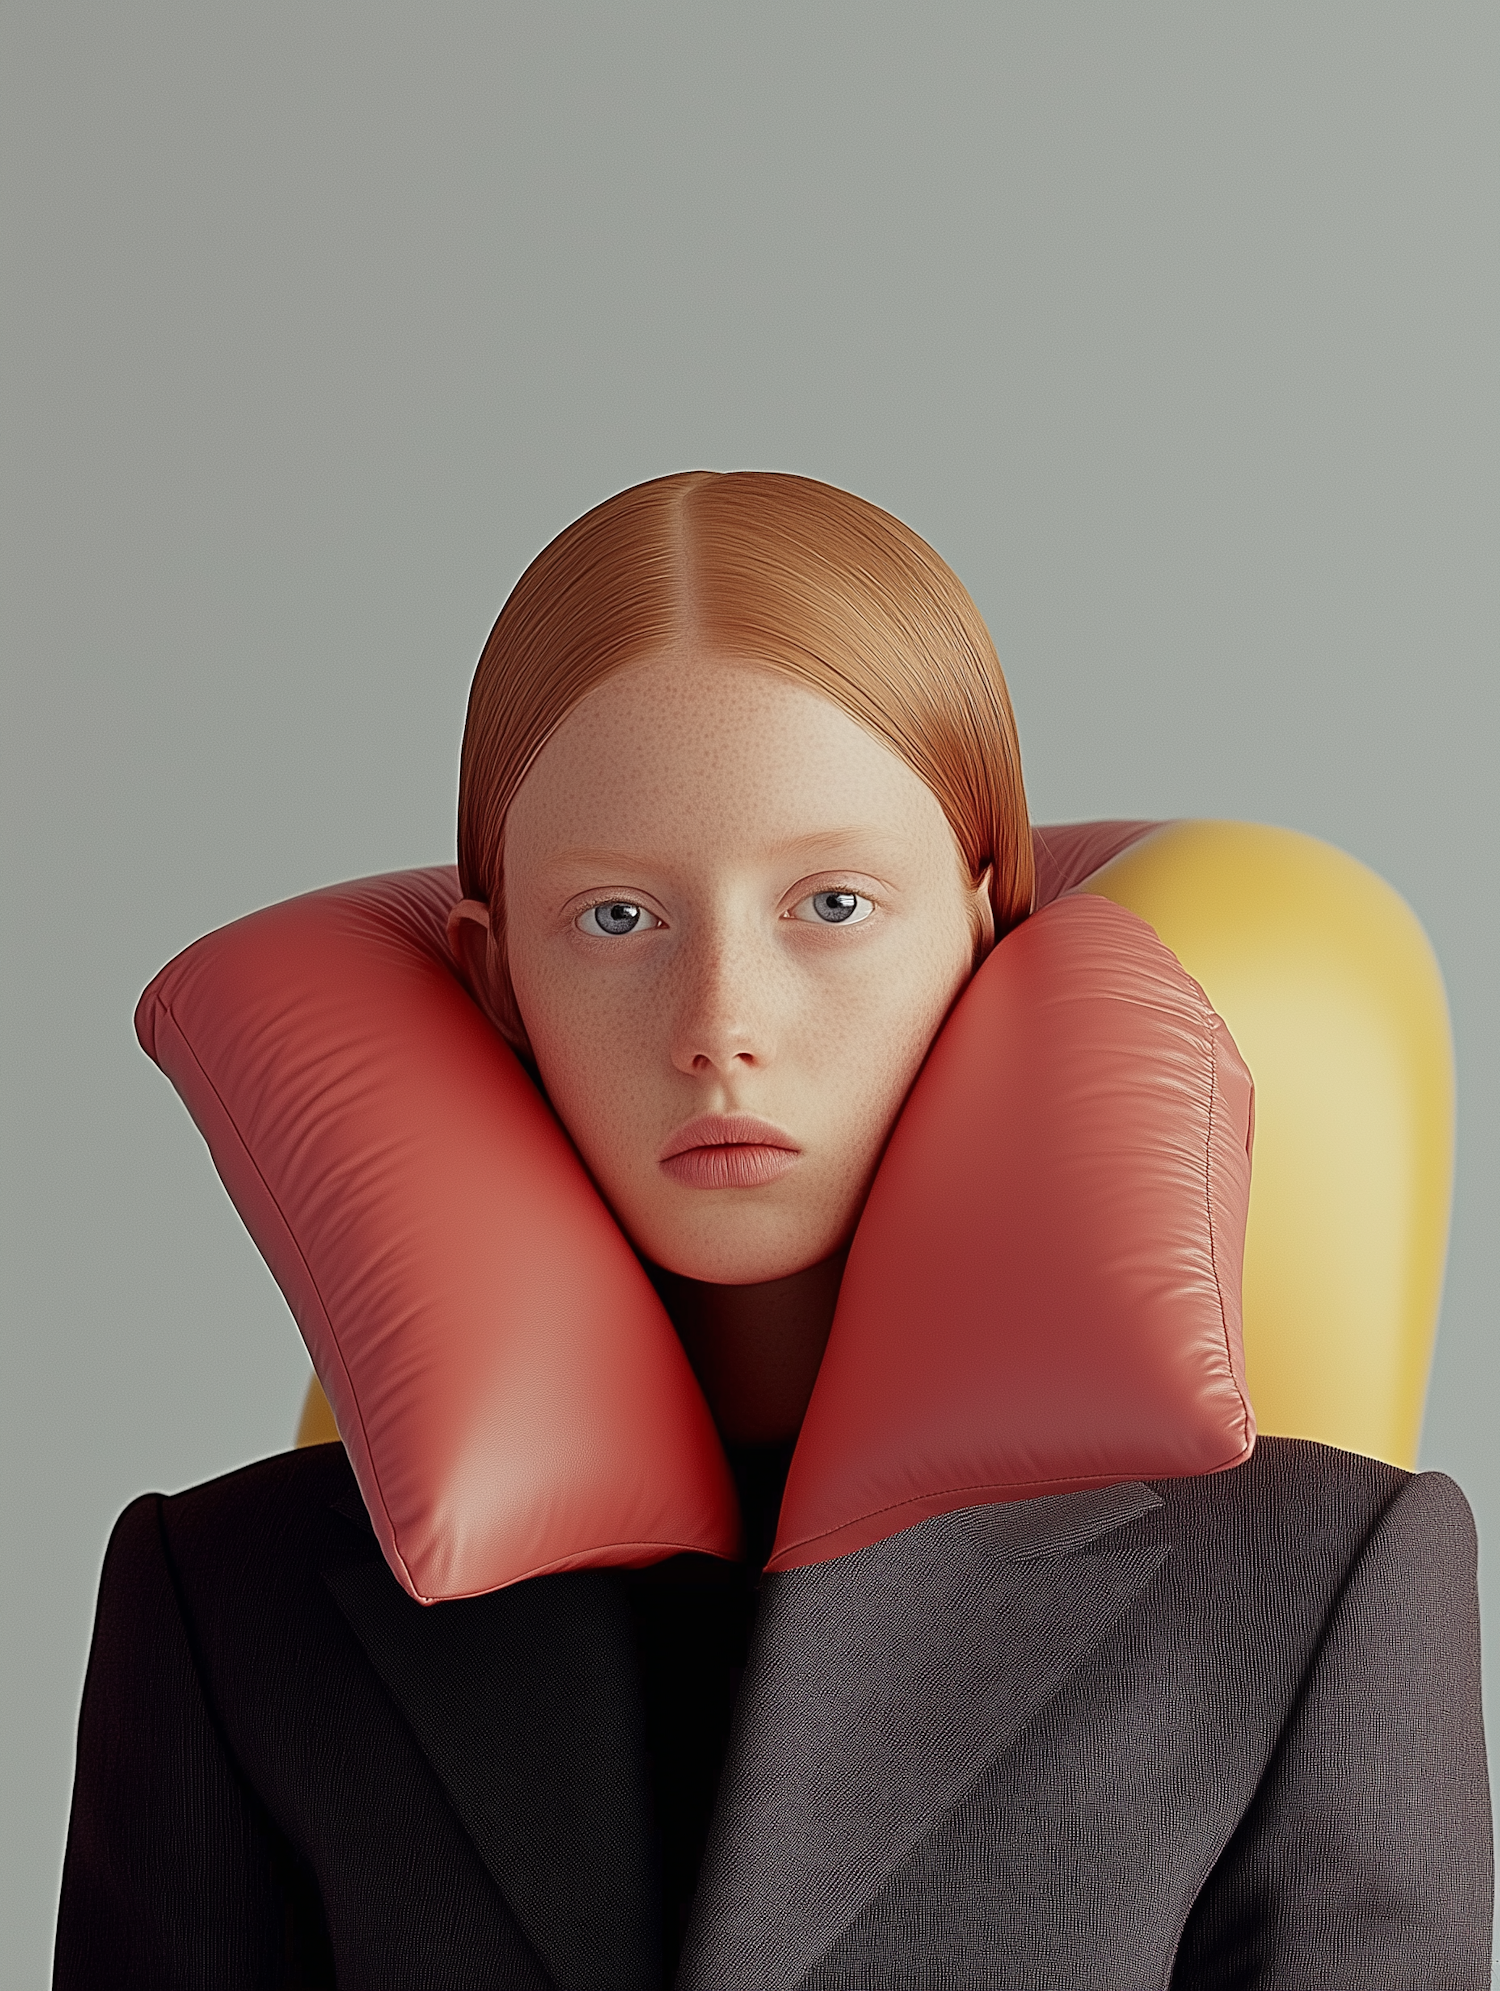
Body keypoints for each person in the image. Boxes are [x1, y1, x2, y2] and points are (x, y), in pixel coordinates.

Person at [55, 473, 1491, 1988]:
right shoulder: (226, 1602)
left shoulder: (1326, 1587)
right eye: (618, 917)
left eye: (833, 904)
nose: (721, 1024)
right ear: (490, 980)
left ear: (990, 924)